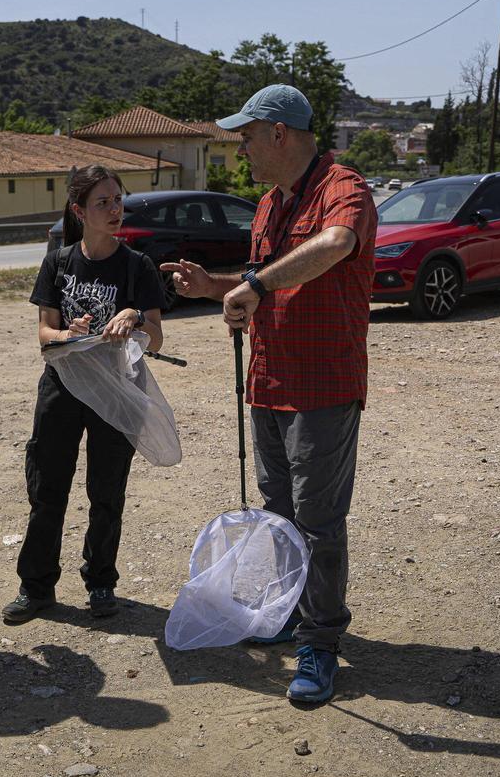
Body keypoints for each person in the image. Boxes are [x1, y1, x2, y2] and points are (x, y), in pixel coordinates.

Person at [161, 85, 377, 703]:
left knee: (318, 521)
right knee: (280, 514)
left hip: (322, 387)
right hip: (269, 384)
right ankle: (289, 611)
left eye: (246, 137)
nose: (242, 151)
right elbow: (268, 285)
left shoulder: (343, 188)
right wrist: (217, 287)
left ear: (278, 133)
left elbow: (334, 247)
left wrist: (251, 284)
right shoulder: (265, 206)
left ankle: (321, 641)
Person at [1, 165, 167, 624]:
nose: (115, 210)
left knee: (106, 491)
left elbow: (157, 338)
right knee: (47, 488)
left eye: (118, 200)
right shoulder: (58, 260)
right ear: (80, 211)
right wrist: (69, 334)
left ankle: (100, 583)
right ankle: (36, 589)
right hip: (63, 386)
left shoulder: (138, 266)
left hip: (117, 391)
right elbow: (43, 335)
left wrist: (133, 316)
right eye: (103, 203)